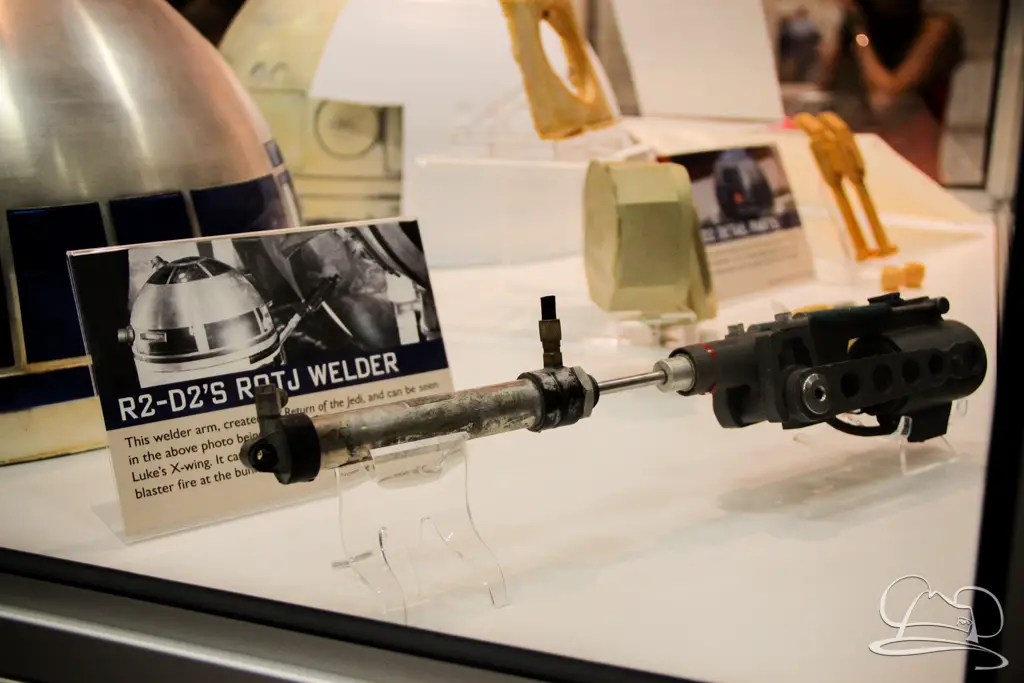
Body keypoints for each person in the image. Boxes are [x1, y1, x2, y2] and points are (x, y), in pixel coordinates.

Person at [818, 0, 964, 181]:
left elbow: (891, 89)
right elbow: (826, 82)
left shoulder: (936, 27)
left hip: (909, 146)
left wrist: (860, 35)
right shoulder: (866, 26)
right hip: (863, 144)